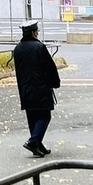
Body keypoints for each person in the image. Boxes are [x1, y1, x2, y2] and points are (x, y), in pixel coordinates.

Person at [12, 20, 60, 158]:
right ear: (33, 33)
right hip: (41, 87)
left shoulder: (18, 48)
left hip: (25, 88)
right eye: (37, 31)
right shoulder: (39, 47)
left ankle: (38, 144)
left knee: (32, 116)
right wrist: (55, 82)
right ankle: (33, 141)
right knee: (45, 116)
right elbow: (50, 67)